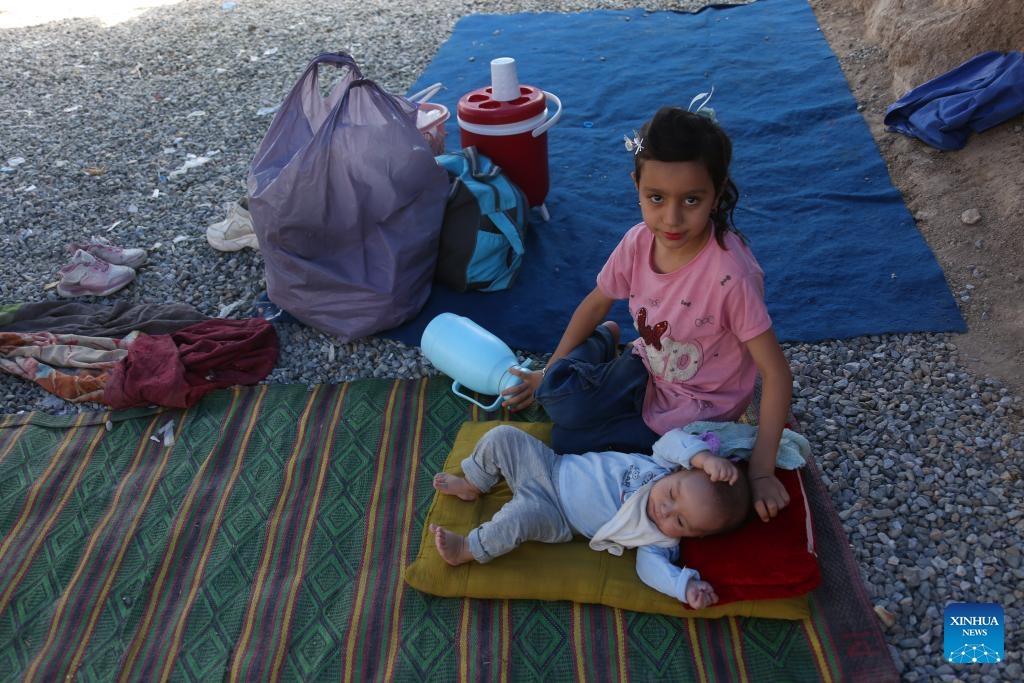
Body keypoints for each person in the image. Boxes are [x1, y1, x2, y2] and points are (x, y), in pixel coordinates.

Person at [500, 106, 793, 523]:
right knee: (557, 399)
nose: (671, 218)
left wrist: (761, 472)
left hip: (694, 411)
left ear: (717, 192)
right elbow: (596, 301)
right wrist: (549, 372)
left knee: (567, 442)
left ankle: (602, 357)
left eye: (691, 200)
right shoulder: (638, 242)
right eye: (656, 198)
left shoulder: (731, 277)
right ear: (636, 185)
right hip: (646, 366)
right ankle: (604, 340)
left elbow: (776, 373)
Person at [430, 425, 750, 609]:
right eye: (673, 494)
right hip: (551, 465)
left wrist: (683, 586)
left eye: (680, 521)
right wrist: (701, 456)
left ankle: (467, 549)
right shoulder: (660, 465)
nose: (665, 509)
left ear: (694, 535)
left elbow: (650, 570)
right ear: (681, 470)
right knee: (502, 436)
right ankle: (474, 484)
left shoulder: (657, 539)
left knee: (517, 520)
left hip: (556, 513)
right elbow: (671, 440)